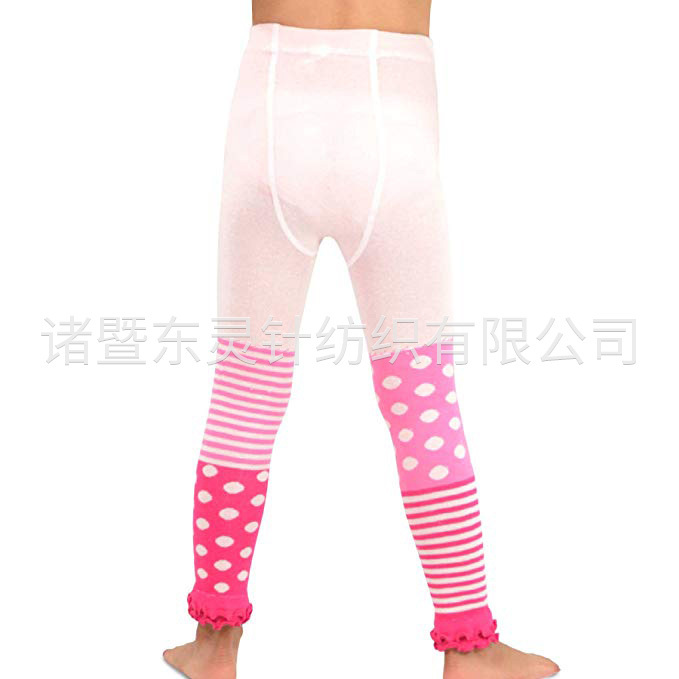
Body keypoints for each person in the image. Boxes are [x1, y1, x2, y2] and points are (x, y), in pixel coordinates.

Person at [164, 2, 560, 677]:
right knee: (421, 395)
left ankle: (214, 642)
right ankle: (469, 646)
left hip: (270, 112)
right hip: (391, 117)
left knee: (246, 390)